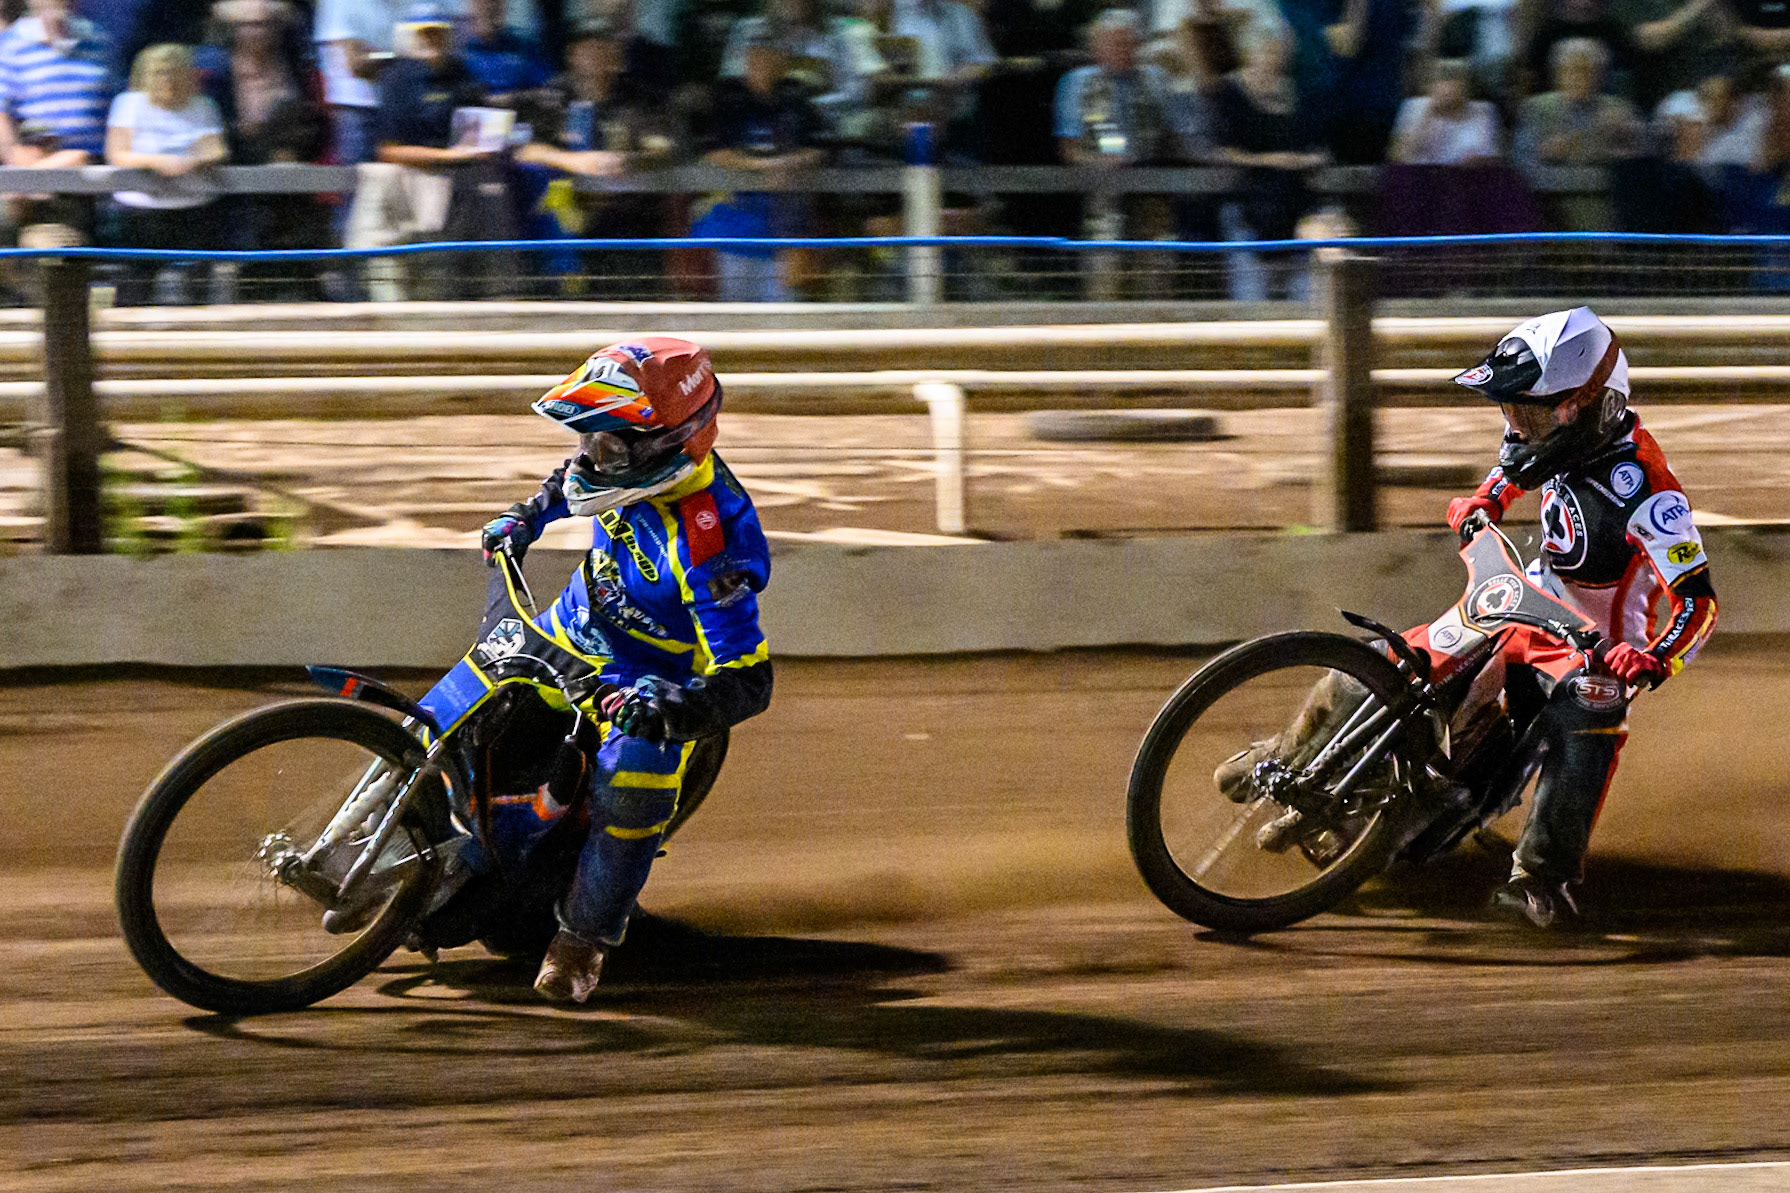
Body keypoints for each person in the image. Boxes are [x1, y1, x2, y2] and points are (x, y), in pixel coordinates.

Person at [475, 337, 774, 1003]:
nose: (591, 458)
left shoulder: (711, 539)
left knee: (633, 781)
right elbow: (571, 479)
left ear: (668, 445)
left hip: (645, 683)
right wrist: (526, 518)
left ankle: (582, 942)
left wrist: (674, 707)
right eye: (592, 441)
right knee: (472, 706)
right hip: (569, 632)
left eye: (608, 447)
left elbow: (750, 676)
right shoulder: (616, 463)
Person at [1440, 308, 1718, 925]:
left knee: (1595, 701)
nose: (1519, 428)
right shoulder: (1551, 433)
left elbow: (1699, 603)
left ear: (1593, 407)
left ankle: (1542, 883)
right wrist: (1487, 498)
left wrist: (1653, 658)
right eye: (1512, 412)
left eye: (1531, 415)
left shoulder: (1647, 490)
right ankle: (1302, 743)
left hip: (1593, 650)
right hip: (1527, 606)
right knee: (1421, 652)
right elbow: (1512, 465)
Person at [104, 43, 230, 305]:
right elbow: (117, 153)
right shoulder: (128, 103)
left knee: (197, 291)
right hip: (140, 211)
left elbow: (216, 150)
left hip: (193, 209)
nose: (167, 79)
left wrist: (191, 161)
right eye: (160, 72)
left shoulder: (202, 105)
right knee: (134, 289)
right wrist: (158, 162)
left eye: (175, 72)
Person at [0, 0, 115, 164]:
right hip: (38, 164)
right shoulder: (11, 43)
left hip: (93, 165)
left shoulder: (98, 39)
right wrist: (13, 154)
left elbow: (114, 103)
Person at [1389, 57, 1501, 165]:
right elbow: (1399, 157)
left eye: (1456, 78)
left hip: (1466, 179)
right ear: (1431, 85)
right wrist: (1429, 113)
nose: (1449, 86)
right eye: (1443, 78)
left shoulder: (1484, 111)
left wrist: (1479, 161)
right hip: (1420, 178)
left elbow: (1494, 159)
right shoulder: (1415, 106)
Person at [460, 0, 549, 102]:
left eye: (496, 2)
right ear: (471, 5)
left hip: (519, 113)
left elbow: (545, 91)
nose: (490, 6)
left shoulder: (524, 47)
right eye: (483, 2)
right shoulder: (460, 51)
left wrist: (513, 98)